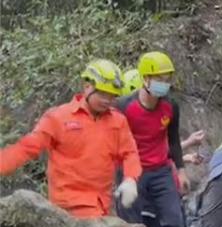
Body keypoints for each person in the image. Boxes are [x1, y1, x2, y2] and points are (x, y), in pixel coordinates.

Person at [0, 60, 141, 218]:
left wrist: (131, 178)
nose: (107, 100)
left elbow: (130, 152)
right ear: (87, 86)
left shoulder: (118, 121)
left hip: (102, 204)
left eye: (111, 96)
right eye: (102, 94)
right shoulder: (58, 118)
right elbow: (27, 148)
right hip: (69, 205)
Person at [116, 51, 188, 227]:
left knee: (175, 221)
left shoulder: (170, 106)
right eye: (159, 79)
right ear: (145, 79)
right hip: (131, 172)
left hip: (161, 171)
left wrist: (181, 171)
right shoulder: (124, 107)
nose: (164, 84)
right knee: (132, 226)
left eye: (167, 80)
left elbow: (173, 141)